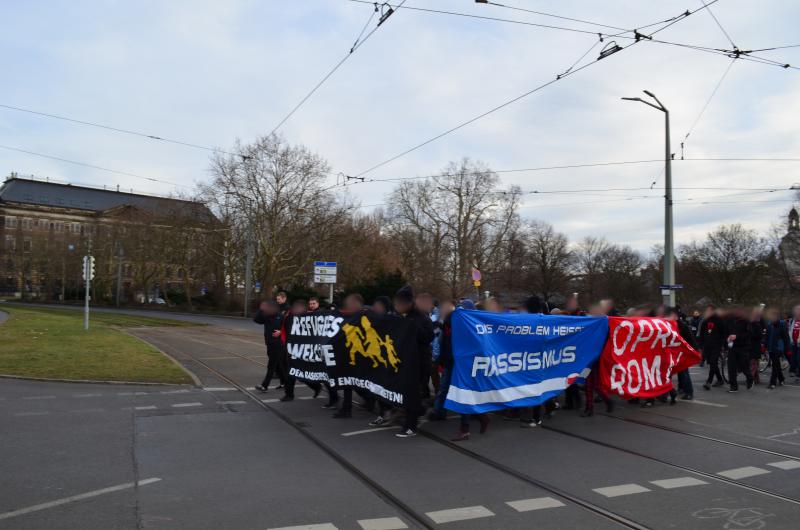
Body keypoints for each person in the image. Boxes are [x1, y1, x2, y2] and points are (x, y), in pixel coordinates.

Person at [393, 285, 434, 438]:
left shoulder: (420, 318)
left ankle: (411, 426)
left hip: (418, 363)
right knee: (408, 394)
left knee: (413, 394)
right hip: (406, 363)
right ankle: (419, 411)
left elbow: (428, 337)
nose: (398, 306)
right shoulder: (402, 317)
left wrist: (412, 327)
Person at [281, 298, 322, 402]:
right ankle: (289, 394)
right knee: (291, 372)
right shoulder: (289, 315)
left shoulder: (307, 316)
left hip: (303, 349)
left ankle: (316, 386)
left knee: (302, 373)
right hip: (291, 348)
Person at [333, 293, 367, 418]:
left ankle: (369, 400)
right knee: (348, 382)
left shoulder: (364, 316)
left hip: (361, 354)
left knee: (359, 382)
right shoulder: (350, 315)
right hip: (349, 353)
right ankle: (347, 408)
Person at [253, 300, 284, 392]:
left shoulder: (281, 316)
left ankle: (264, 385)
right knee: (278, 365)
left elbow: (289, 328)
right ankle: (284, 382)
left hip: (279, 344)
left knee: (271, 365)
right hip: (269, 343)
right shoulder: (266, 316)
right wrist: (260, 309)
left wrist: (281, 332)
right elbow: (256, 320)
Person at [666, 306, 696, 400]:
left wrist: (694, 350)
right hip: (674, 353)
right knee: (672, 373)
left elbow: (690, 339)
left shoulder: (682, 326)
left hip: (682, 353)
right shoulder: (669, 325)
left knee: (684, 372)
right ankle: (671, 390)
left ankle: (689, 392)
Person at [726, 306, 754, 393]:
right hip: (732, 346)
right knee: (731, 366)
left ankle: (750, 379)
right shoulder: (730, 320)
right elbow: (726, 332)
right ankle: (733, 386)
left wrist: (737, 336)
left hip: (743, 347)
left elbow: (749, 334)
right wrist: (727, 338)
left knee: (743, 366)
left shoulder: (746, 321)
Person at [415, 292, 436, 400]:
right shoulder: (421, 318)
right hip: (420, 355)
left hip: (423, 355)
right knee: (421, 380)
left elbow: (429, 336)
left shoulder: (424, 318)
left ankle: (423, 399)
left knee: (423, 380)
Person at [699, 304, 726, 390]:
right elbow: (702, 333)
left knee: (714, 362)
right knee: (711, 363)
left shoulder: (719, 320)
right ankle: (720, 379)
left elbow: (723, 333)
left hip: (716, 345)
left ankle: (709, 381)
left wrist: (723, 344)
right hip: (707, 345)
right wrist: (701, 344)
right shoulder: (705, 321)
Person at [764, 308, 790, 389]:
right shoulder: (769, 325)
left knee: (775, 365)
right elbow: (767, 336)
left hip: (778, 348)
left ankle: (773, 383)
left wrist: (787, 348)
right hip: (771, 348)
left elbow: (786, 338)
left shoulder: (782, 325)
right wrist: (765, 345)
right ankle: (781, 378)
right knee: (777, 365)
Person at [748, 306, 766, 385]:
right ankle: (757, 380)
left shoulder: (756, 325)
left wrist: (750, 335)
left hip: (754, 347)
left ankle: (750, 379)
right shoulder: (752, 324)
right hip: (752, 347)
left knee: (753, 364)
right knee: (754, 363)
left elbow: (759, 335)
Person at [788, 305, 800, 377]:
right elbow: (791, 330)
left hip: (799, 342)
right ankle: (793, 370)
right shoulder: (793, 320)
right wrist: (791, 339)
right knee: (793, 357)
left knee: (798, 358)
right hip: (793, 342)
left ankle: (798, 372)